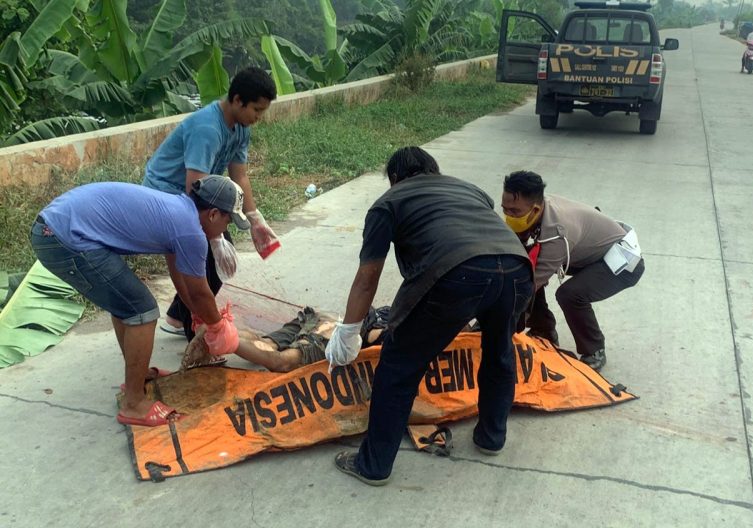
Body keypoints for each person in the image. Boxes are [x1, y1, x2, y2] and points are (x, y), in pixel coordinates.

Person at [325, 146, 532, 486]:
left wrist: (348, 332)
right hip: (517, 270)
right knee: (499, 353)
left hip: (457, 273)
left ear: (394, 179)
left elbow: (368, 277)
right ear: (434, 170)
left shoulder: (388, 203)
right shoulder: (470, 190)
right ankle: (491, 438)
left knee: (398, 367)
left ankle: (373, 465)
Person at [30, 175, 249, 426]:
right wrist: (218, 327)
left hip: (57, 226)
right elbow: (200, 292)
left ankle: (138, 375)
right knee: (141, 311)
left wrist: (195, 314)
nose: (226, 228)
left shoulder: (179, 211)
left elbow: (181, 275)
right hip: (62, 237)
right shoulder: (190, 231)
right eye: (228, 220)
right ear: (212, 214)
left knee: (126, 304)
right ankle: (134, 403)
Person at [143, 67, 280, 340]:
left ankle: (180, 317)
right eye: (256, 109)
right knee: (197, 255)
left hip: (202, 191)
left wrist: (254, 219)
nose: (258, 117)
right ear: (238, 100)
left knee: (217, 264)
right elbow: (194, 189)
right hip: (167, 195)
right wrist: (213, 239)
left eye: (262, 111)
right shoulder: (207, 128)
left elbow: (239, 175)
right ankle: (195, 323)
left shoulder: (240, 128)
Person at [501, 171, 645, 371]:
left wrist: (494, 325)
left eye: (514, 212)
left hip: (623, 263)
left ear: (535, 209)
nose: (509, 216)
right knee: (524, 268)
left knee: (569, 294)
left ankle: (594, 350)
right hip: (590, 253)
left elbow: (527, 287)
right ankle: (544, 331)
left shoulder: (557, 234)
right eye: (505, 209)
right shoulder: (538, 208)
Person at [182, 306, 390, 372]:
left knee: (264, 343)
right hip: (332, 332)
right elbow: (373, 334)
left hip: (320, 319)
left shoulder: (387, 314)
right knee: (281, 362)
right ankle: (224, 337)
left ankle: (219, 328)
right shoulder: (390, 328)